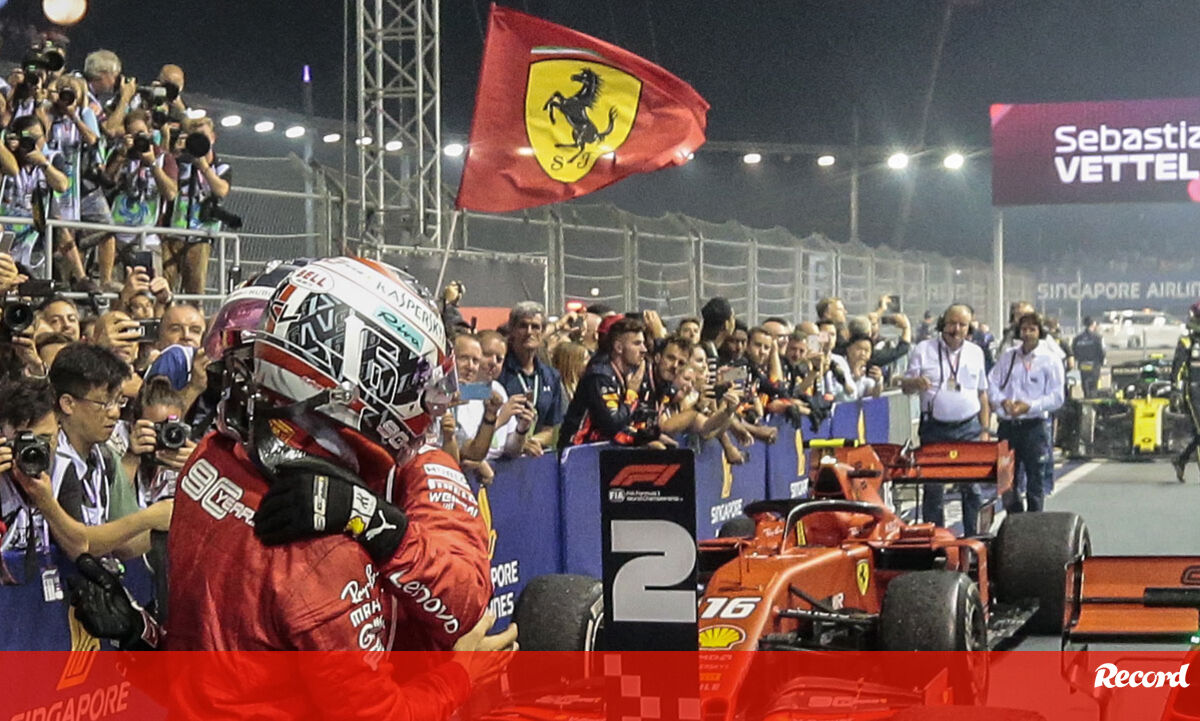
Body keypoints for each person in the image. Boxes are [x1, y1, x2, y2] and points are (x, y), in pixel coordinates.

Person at [900, 304, 991, 536]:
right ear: (943, 324)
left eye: (962, 325)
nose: (956, 329)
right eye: (952, 323)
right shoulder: (923, 349)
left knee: (972, 487)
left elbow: (982, 393)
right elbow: (905, 387)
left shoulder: (976, 352)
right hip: (935, 428)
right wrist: (915, 383)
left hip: (969, 428)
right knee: (933, 488)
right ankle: (936, 539)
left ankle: (974, 537)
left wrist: (985, 429)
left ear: (969, 328)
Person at [988, 313, 1065, 512]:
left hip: (1034, 427)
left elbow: (1057, 397)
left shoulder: (1050, 359)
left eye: (1032, 329)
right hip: (1008, 427)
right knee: (1006, 481)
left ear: (1040, 332)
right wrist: (1002, 401)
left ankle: (1034, 523)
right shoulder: (1008, 356)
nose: (1028, 333)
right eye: (1024, 329)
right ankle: (1014, 519)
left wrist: (1030, 406)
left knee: (1035, 482)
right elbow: (991, 383)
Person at [497, 302, 564, 453]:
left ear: (543, 332)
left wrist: (528, 441)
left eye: (535, 327)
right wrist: (517, 442)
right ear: (512, 330)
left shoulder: (551, 376)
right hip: (501, 456)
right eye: (523, 326)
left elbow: (551, 429)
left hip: (535, 457)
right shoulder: (498, 370)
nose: (529, 332)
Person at [1171, 301, 1200, 483]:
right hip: (1194, 390)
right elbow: (1177, 368)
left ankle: (1181, 460)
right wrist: (1175, 389)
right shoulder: (1186, 340)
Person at [1072, 316, 1105, 398]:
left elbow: (1074, 351)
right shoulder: (1098, 337)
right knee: (1094, 386)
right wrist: (1102, 362)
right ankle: (1092, 400)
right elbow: (1102, 351)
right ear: (1093, 324)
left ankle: (1086, 397)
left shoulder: (1077, 338)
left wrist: (1078, 359)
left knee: (1085, 384)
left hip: (1082, 364)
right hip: (1094, 364)